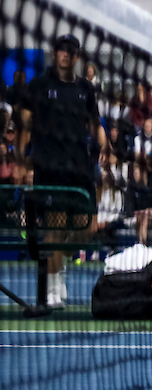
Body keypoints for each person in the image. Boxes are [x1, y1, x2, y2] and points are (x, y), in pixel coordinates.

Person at [19, 35, 108, 316]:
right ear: (55, 54)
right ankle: (54, 285)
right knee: (54, 229)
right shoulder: (40, 86)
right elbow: (24, 123)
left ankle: (62, 264)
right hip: (49, 168)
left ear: (77, 57)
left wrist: (106, 147)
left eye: (70, 52)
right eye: (60, 51)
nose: (65, 56)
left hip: (80, 169)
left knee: (86, 230)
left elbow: (95, 124)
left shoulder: (85, 89)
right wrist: (23, 160)